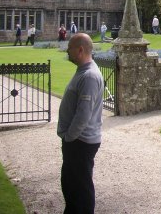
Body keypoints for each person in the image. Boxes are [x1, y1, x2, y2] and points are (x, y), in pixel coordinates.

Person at [57, 33, 104, 214]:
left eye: (70, 48)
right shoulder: (83, 72)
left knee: (81, 190)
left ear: (80, 50)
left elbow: (83, 114)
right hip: (76, 141)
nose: (67, 51)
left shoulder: (90, 76)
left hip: (80, 142)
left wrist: (70, 137)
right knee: (70, 184)